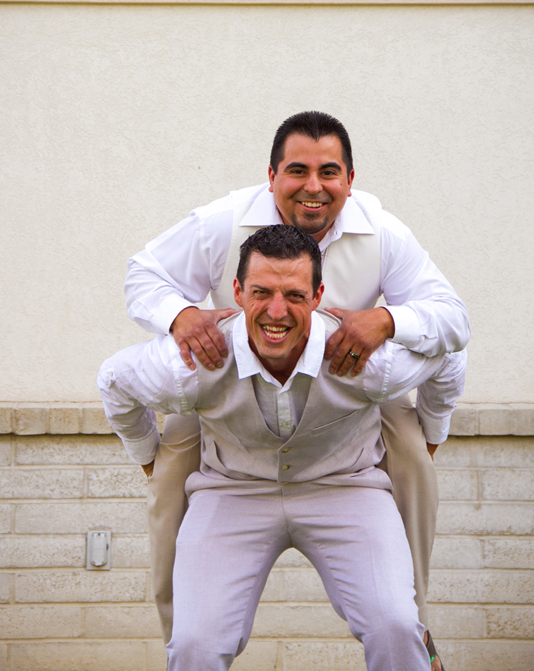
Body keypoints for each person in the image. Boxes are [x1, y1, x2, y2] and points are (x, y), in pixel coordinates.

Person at [124, 111, 470, 667]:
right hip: (230, 404)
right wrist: (180, 314)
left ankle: (414, 631)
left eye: (329, 172)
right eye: (297, 171)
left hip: (351, 406)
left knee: (413, 463)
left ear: (350, 180)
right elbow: (142, 274)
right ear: (271, 176)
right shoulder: (222, 221)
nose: (313, 187)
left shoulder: (382, 232)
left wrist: (387, 323)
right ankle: (186, 641)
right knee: (167, 478)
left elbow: (452, 322)